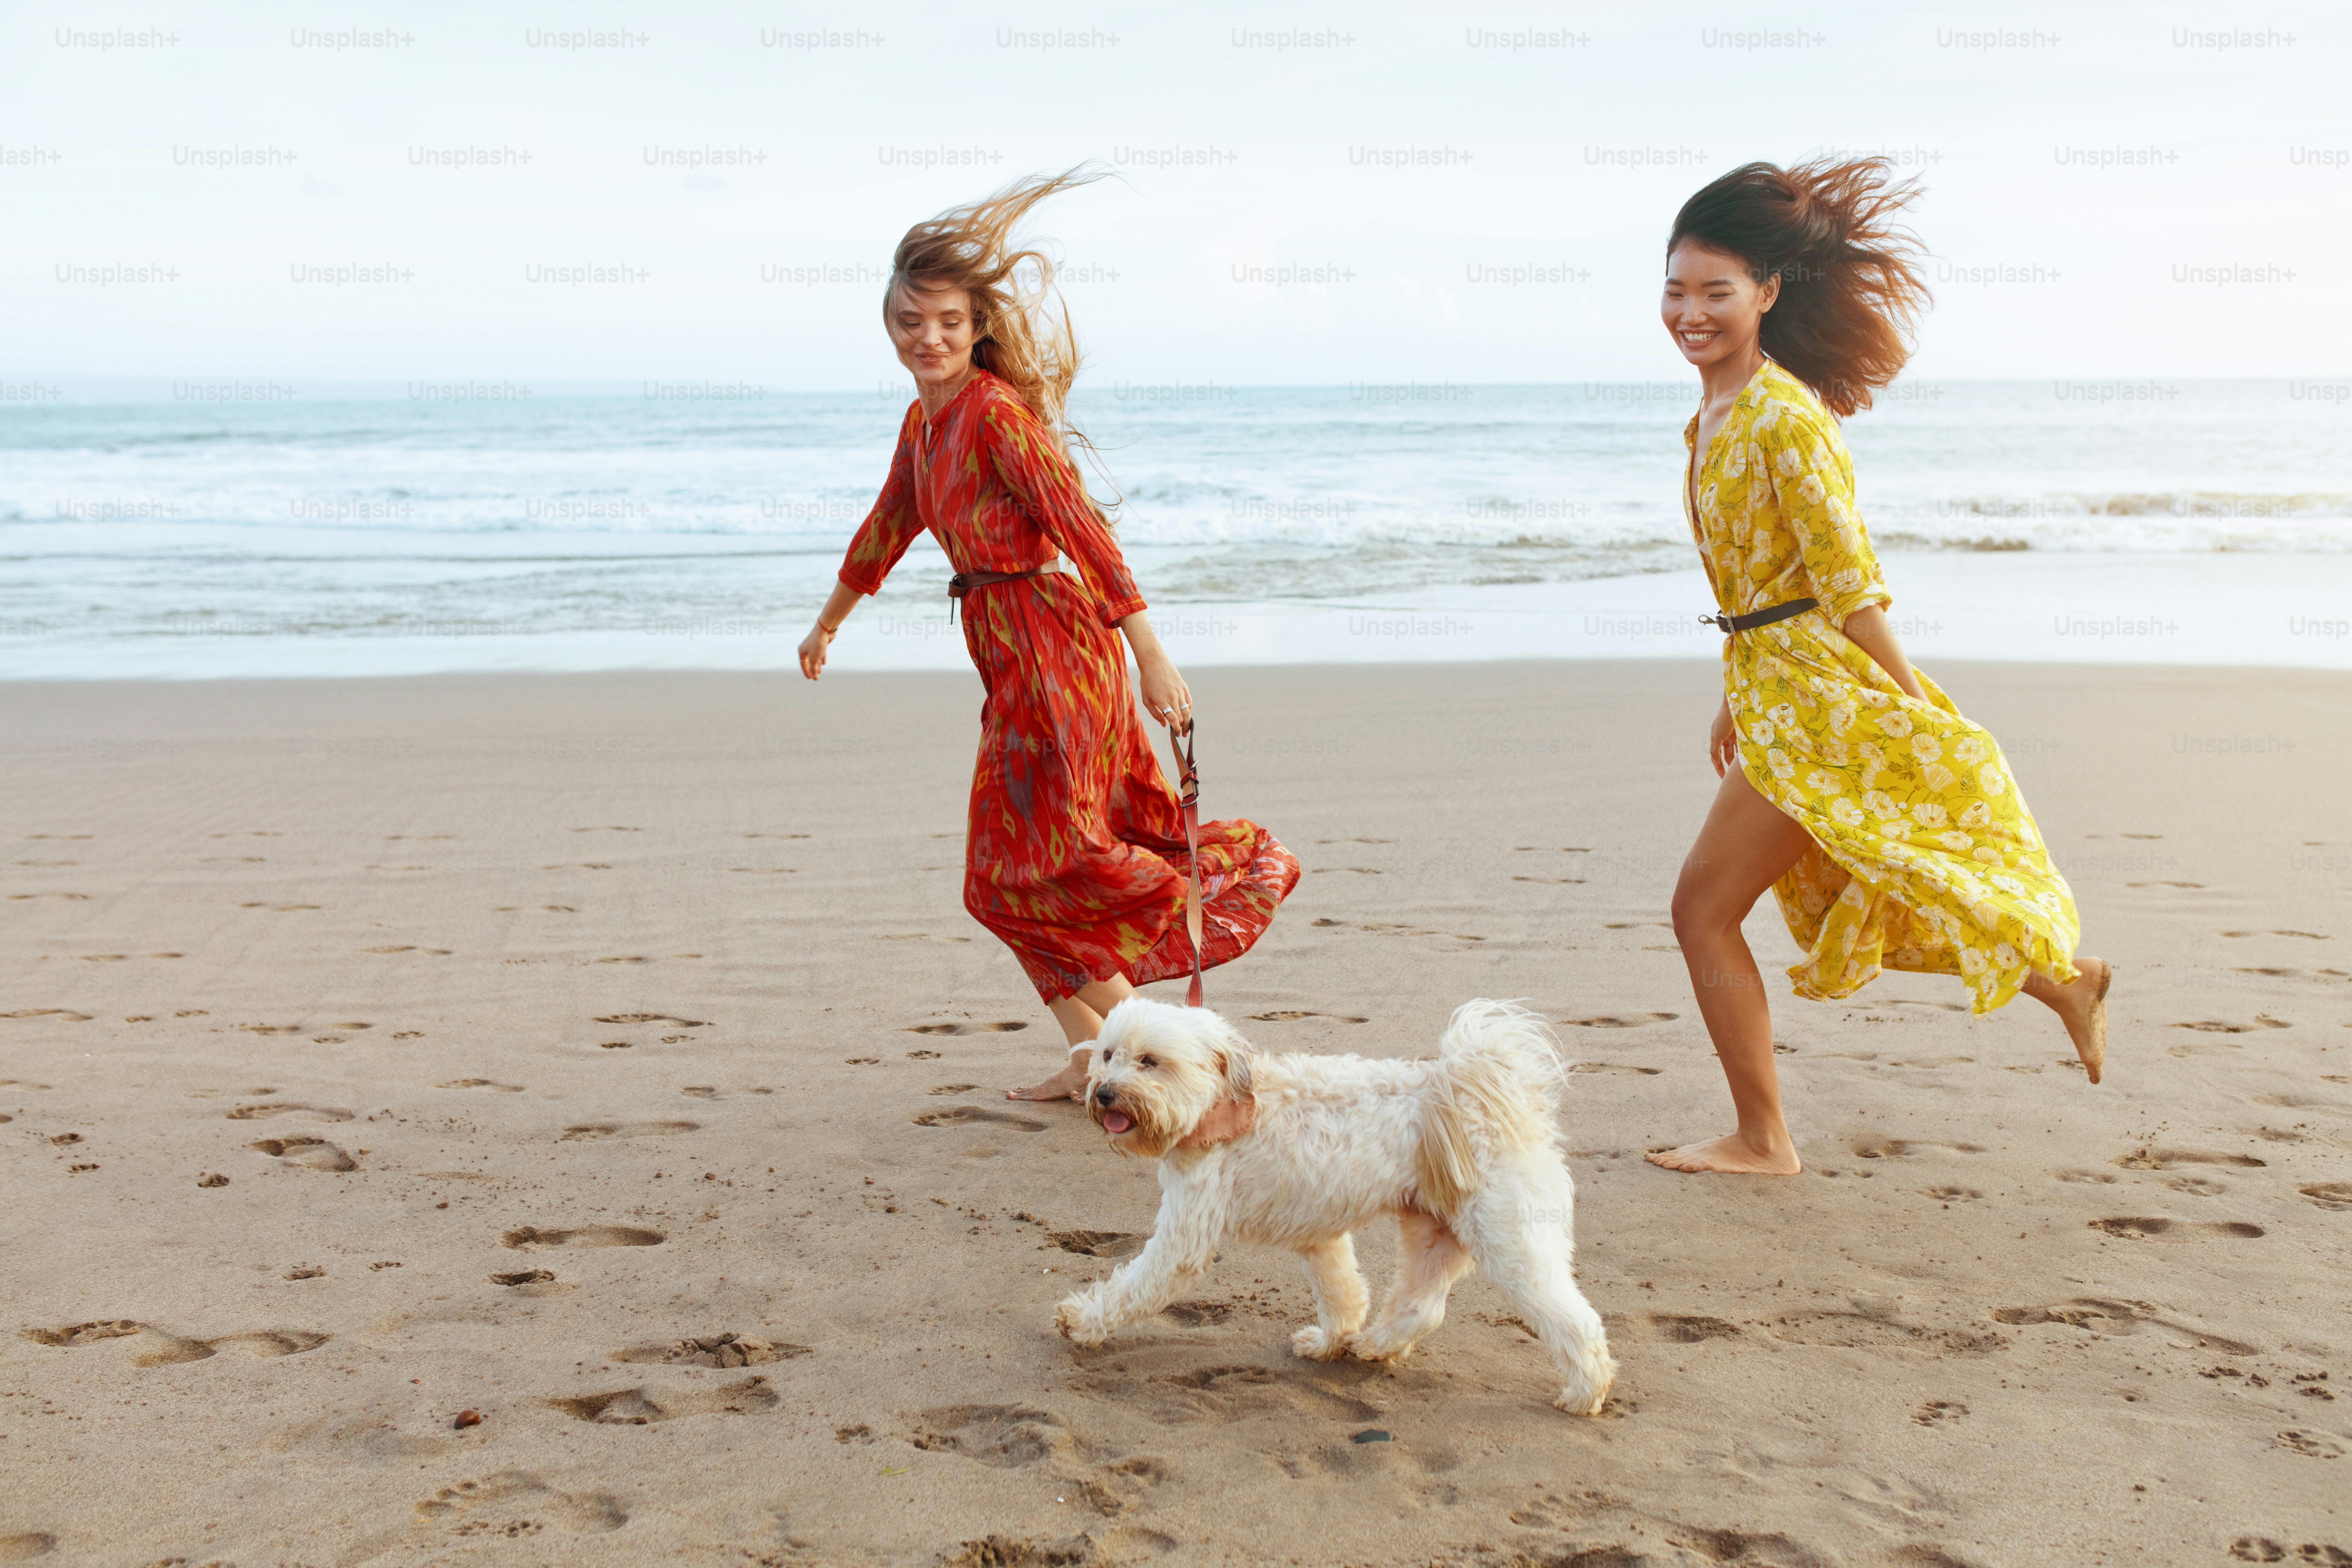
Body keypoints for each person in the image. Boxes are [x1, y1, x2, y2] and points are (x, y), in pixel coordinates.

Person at [1644, 158, 2112, 1177]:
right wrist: (1734, 692)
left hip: (1819, 702)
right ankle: (2063, 982)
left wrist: (1909, 703)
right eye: (1676, 288)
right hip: (1774, 690)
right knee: (1872, 872)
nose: (1690, 311)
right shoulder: (1709, 417)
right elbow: (1760, 583)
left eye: (1715, 291)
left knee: (1703, 909)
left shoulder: (1783, 417)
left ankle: (1764, 1139)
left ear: (1767, 293)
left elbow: (1849, 584)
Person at [797, 170, 1300, 1104]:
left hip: (1058, 653)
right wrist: (829, 622)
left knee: (1041, 867)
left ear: (975, 324)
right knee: (1002, 880)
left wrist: (1151, 654)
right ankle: (1098, 1063)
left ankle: (1160, 1021)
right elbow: (887, 523)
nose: (929, 338)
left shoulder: (994, 415)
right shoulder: (925, 423)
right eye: (910, 321)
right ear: (889, 324)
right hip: (1008, 655)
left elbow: (1080, 528)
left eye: (947, 320)